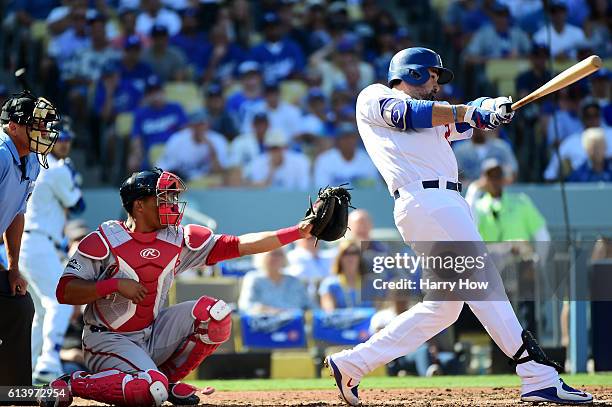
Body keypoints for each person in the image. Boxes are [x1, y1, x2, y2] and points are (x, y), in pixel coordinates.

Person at [324, 47, 592, 405]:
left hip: (442, 205)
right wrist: (471, 109)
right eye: (433, 74)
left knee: (444, 307)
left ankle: (352, 363)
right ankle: (537, 373)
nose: (437, 82)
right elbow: (411, 114)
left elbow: (465, 121)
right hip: (427, 202)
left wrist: (492, 109)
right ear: (413, 72)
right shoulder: (375, 97)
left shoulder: (433, 120)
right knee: (482, 278)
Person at [42, 168, 314, 406]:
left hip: (151, 332)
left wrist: (298, 231)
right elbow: (65, 291)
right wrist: (113, 284)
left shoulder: (176, 238)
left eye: (171, 197)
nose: (172, 203)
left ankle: (166, 383)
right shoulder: (103, 240)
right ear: (139, 205)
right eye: (163, 198)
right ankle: (74, 382)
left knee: (215, 315)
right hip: (107, 339)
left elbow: (240, 245)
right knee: (148, 391)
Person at [0, 91, 60, 386]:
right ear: (13, 125)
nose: (44, 132)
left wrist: (12, 268)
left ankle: (11, 390)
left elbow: (15, 214)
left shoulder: (32, 161)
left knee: (19, 306)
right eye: (36, 125)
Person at [19, 127, 84, 385]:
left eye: (68, 139)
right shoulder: (56, 168)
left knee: (41, 311)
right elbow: (78, 205)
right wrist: (71, 173)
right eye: (60, 140)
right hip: (39, 242)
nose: (65, 144)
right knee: (61, 300)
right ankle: (48, 361)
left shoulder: (34, 164)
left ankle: (31, 365)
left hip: (28, 242)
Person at [156, 109, 229, 183]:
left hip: (206, 183)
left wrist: (211, 149)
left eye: (202, 124)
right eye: (196, 124)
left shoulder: (218, 140)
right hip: (179, 181)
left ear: (209, 124)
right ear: (190, 125)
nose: (199, 127)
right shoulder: (177, 139)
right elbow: (166, 168)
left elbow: (220, 172)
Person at [238, 248, 311, 314]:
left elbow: (311, 306)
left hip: (294, 324)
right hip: (265, 323)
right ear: (262, 256)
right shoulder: (254, 278)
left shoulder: (294, 281)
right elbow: (245, 306)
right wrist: (268, 310)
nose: (276, 258)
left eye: (280, 254)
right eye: (272, 254)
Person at [313, 122, 379, 188]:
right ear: (338, 140)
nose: (349, 141)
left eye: (352, 137)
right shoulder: (325, 159)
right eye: (345, 137)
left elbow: (374, 187)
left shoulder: (367, 159)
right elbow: (321, 188)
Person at [243, 130, 311, 190]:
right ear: (266, 149)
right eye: (271, 148)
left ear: (285, 148)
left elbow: (303, 189)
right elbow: (250, 187)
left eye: (277, 148)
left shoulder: (300, 162)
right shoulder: (257, 163)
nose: (275, 152)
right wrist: (271, 172)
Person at [319, 240, 370, 311]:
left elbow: (379, 311)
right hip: (341, 322)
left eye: (354, 253)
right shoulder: (329, 284)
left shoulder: (371, 283)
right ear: (339, 257)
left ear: (360, 257)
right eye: (346, 253)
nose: (350, 257)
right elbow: (329, 313)